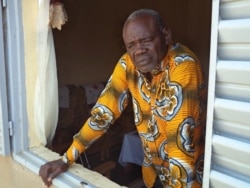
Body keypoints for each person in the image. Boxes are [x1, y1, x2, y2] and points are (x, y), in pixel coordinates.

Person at [39, 8, 207, 188]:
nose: (139, 51)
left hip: (187, 177)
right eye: (131, 45)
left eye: (146, 41)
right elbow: (102, 114)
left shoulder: (183, 67)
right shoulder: (128, 64)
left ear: (166, 35)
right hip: (154, 172)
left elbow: (179, 144)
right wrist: (66, 159)